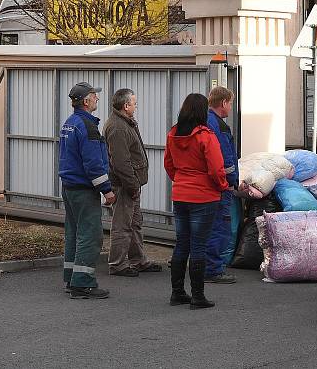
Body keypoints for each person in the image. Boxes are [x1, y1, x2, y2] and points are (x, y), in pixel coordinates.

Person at [164, 93, 229, 310]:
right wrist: (221, 186)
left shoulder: (173, 133)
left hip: (180, 194)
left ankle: (177, 292)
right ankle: (198, 296)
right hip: (204, 196)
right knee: (198, 245)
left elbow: (169, 164)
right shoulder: (205, 135)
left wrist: (181, 180)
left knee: (182, 243)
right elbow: (216, 168)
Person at [58, 82, 116, 299]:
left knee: (73, 233)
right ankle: (82, 284)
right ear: (86, 101)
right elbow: (93, 164)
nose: (97, 99)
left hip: (69, 187)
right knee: (90, 235)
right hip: (84, 189)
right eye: (94, 96)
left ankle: (71, 277)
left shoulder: (69, 123)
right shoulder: (88, 126)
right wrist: (107, 190)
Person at [104, 88, 161, 277]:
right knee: (122, 224)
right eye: (134, 103)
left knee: (135, 222)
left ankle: (138, 260)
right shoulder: (118, 127)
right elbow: (120, 162)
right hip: (125, 185)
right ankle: (118, 264)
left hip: (131, 183)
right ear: (126, 105)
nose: (136, 106)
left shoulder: (124, 123)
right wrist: (132, 185)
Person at [204, 87, 238, 284]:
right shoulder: (219, 126)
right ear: (223, 102)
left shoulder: (205, 122)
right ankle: (214, 269)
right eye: (230, 103)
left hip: (207, 186)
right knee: (219, 227)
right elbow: (226, 160)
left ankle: (205, 266)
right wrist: (232, 182)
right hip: (220, 186)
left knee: (205, 227)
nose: (230, 107)